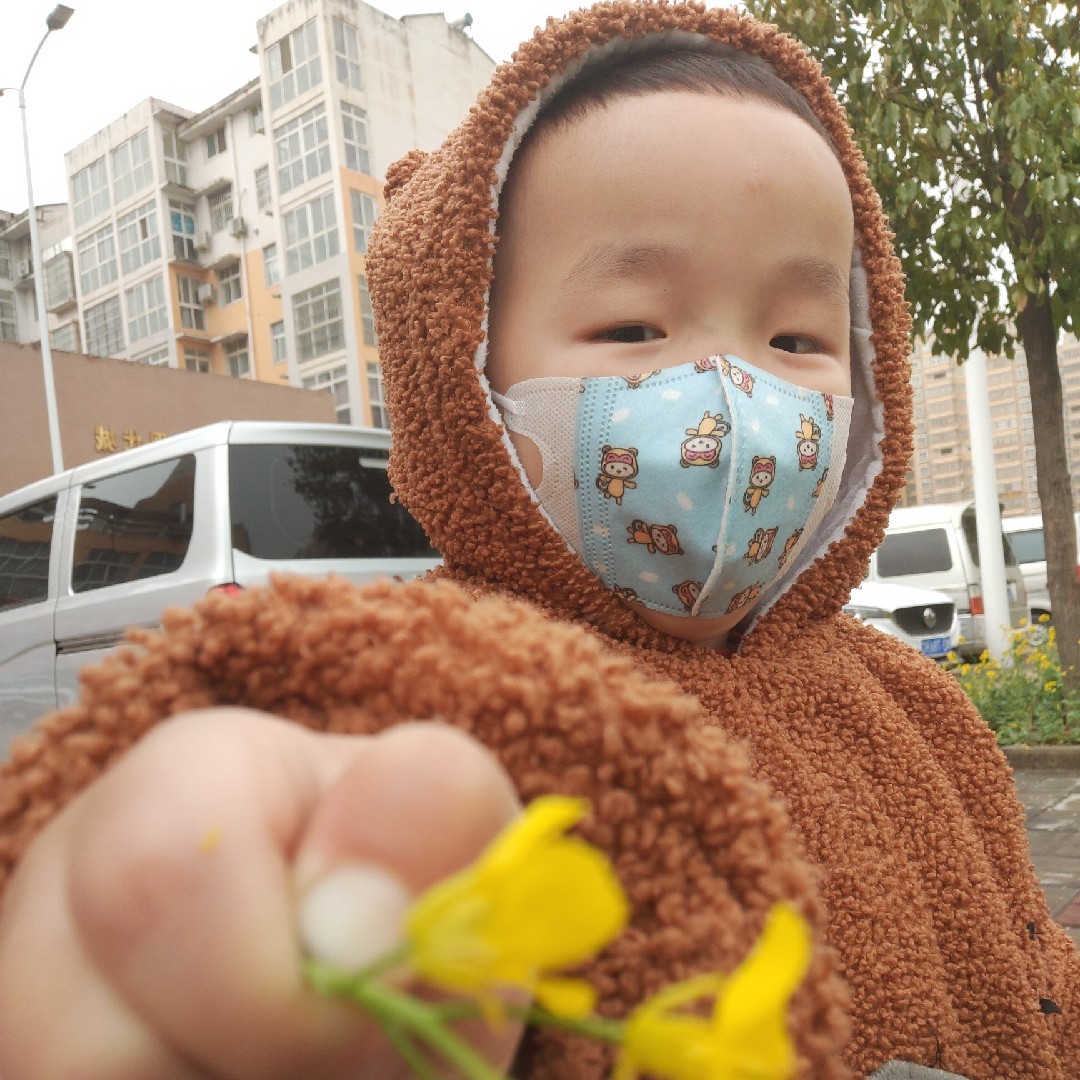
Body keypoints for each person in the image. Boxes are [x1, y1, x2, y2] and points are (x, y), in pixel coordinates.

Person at [0, 3, 1075, 1078]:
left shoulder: (917, 711)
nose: (734, 393)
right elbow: (182, 777)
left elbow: (1033, 979)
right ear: (462, 366)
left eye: (797, 337)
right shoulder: (417, 692)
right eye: (633, 327)